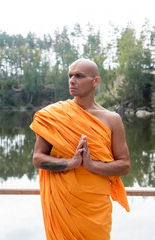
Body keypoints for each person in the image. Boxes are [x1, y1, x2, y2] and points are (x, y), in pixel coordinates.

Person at [30, 58, 130, 240]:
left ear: (95, 81)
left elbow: (124, 166)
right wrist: (71, 163)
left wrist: (92, 166)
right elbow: (37, 159)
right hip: (62, 205)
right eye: (70, 76)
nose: (72, 80)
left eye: (79, 76)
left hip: (95, 207)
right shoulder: (54, 115)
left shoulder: (112, 119)